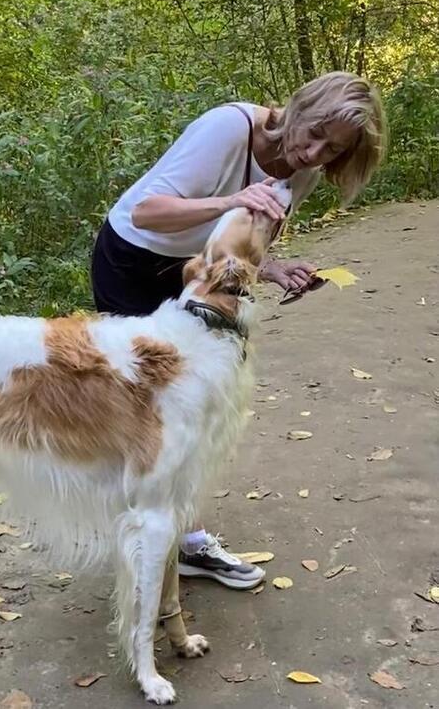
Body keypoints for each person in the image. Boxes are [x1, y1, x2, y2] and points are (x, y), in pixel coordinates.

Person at [91, 71, 386, 589]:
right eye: (313, 133)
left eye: (331, 150)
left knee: (195, 403)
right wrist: (230, 200)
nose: (313, 154)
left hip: (199, 271)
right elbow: (148, 210)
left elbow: (245, 244)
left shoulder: (306, 171)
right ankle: (160, 534)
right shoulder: (226, 128)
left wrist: (273, 270)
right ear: (300, 105)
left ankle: (181, 538)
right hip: (133, 260)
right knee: (150, 408)